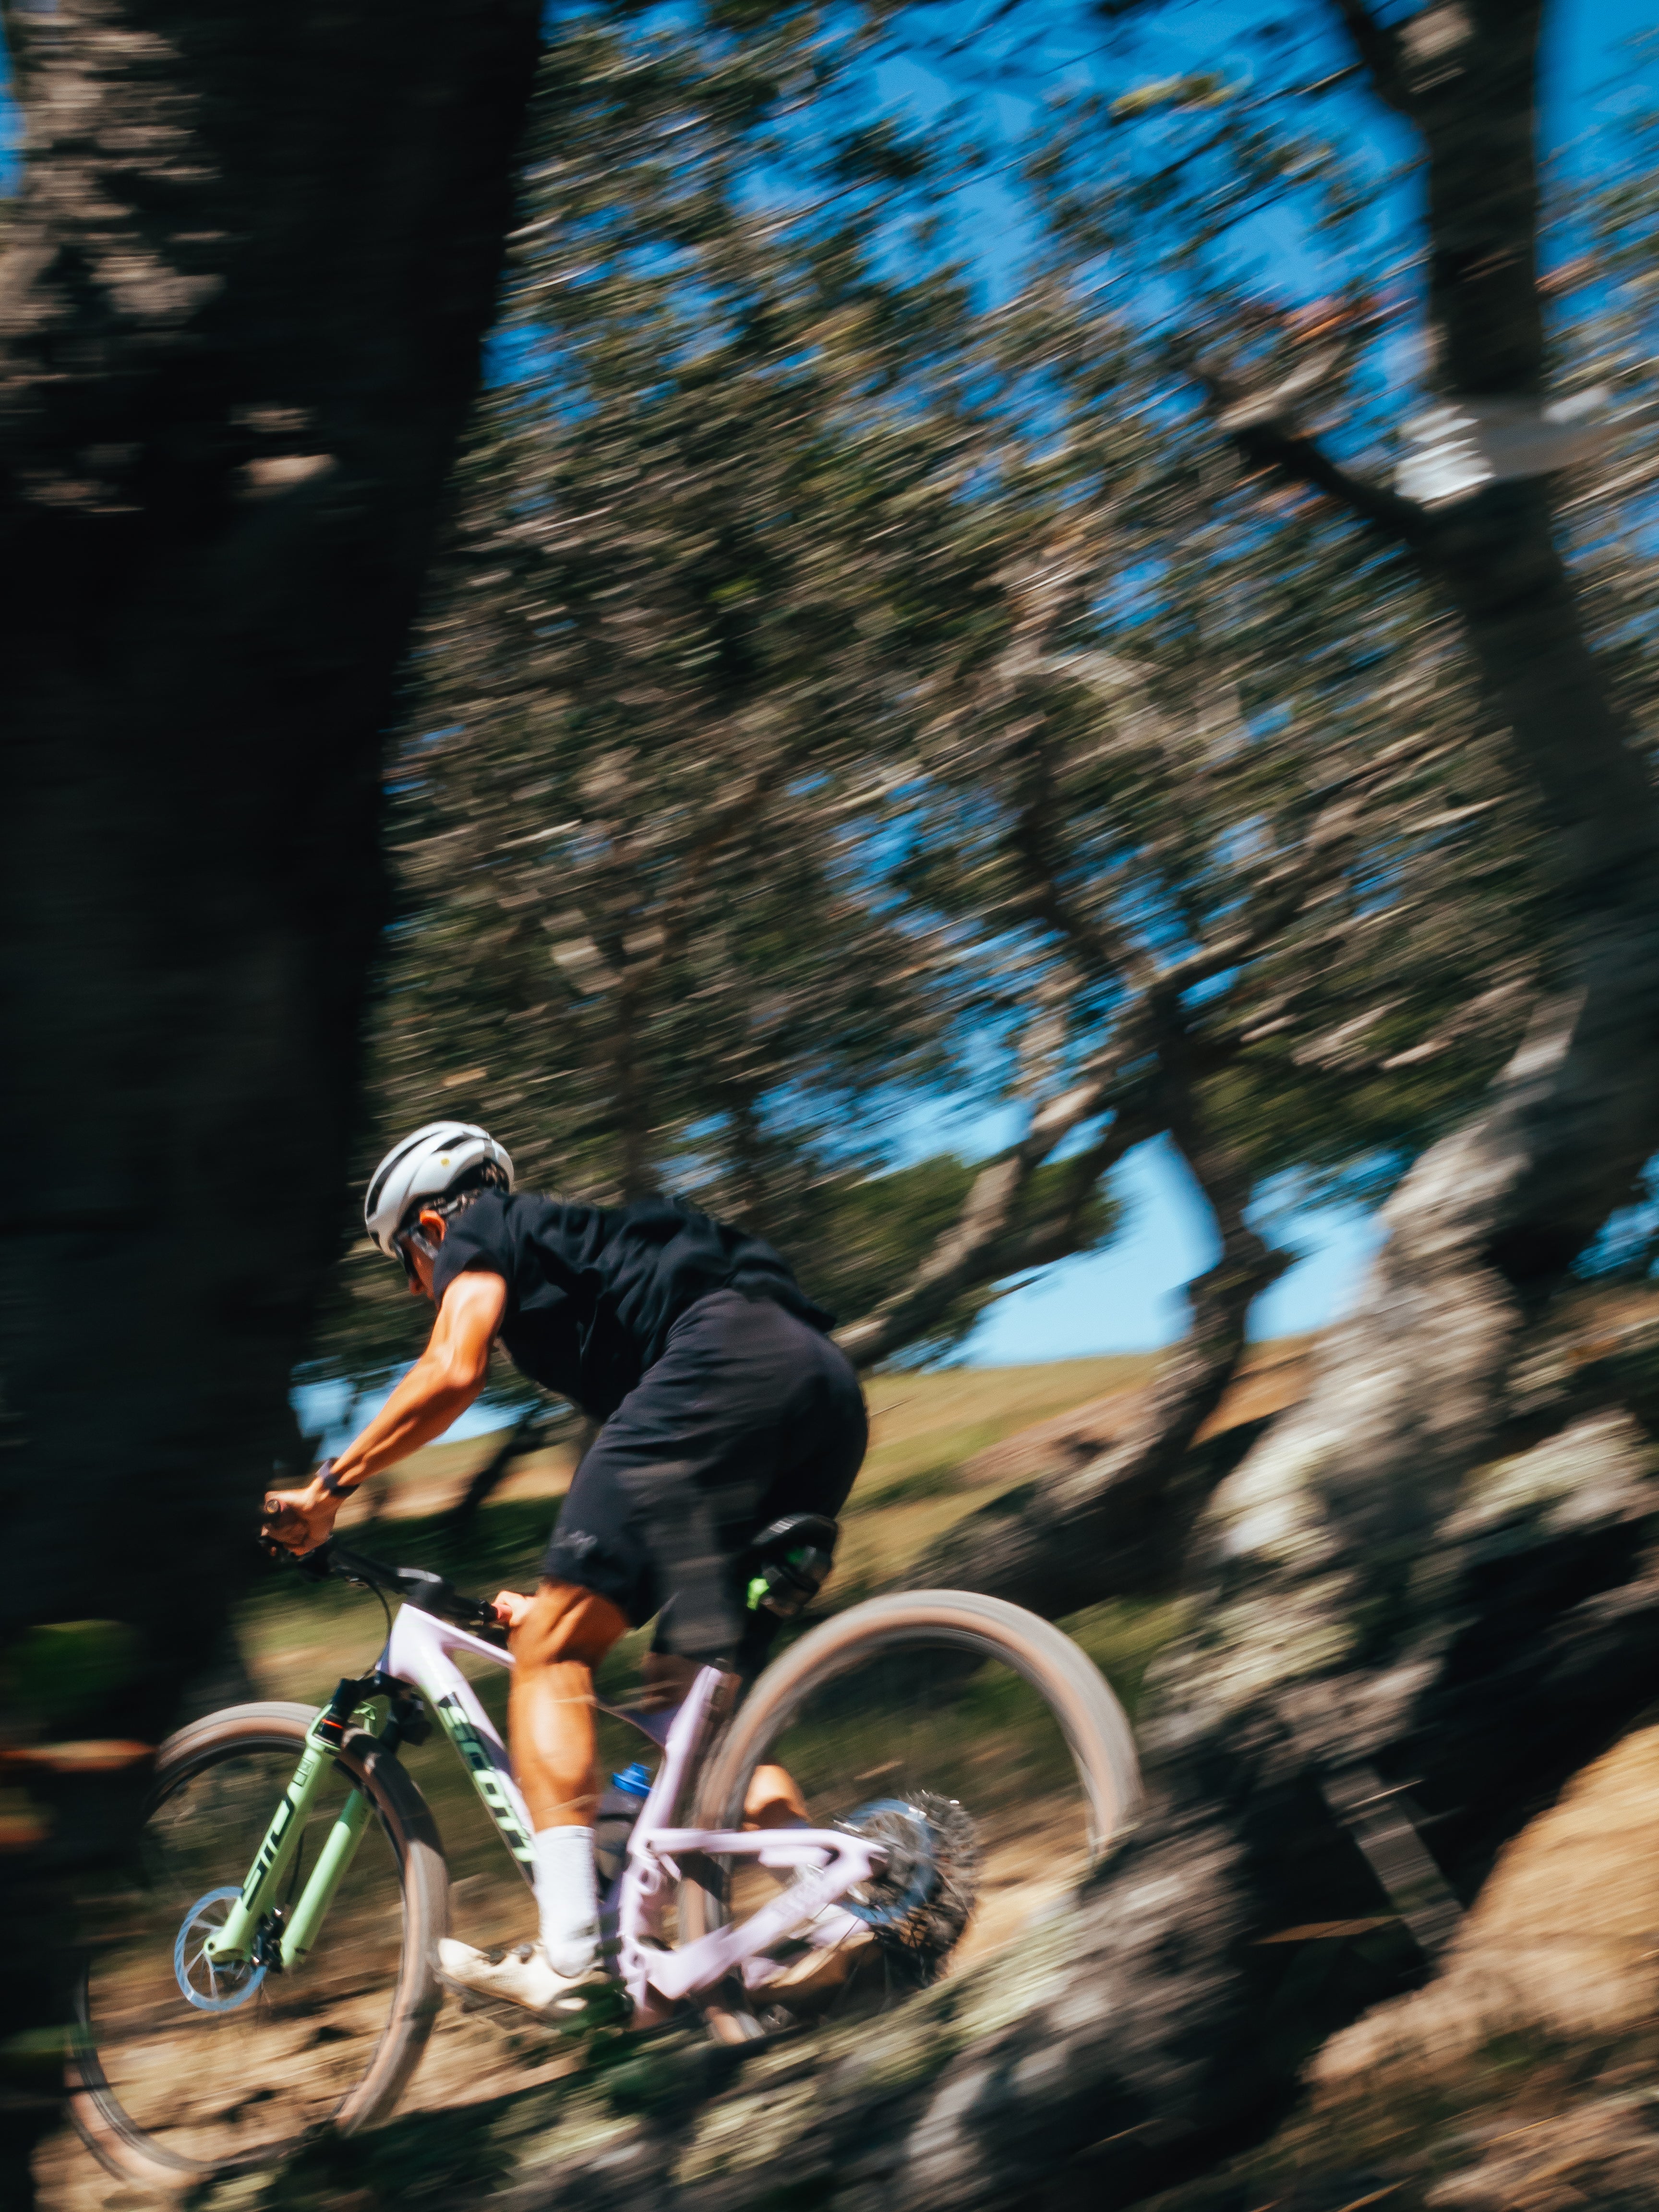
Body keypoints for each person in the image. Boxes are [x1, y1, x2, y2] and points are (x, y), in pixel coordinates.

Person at [263, 1121, 867, 2018]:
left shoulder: (480, 1228)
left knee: (551, 1656)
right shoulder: (579, 1257)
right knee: (686, 1701)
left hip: (721, 1366)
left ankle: (571, 1957)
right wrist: (563, 1601)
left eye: (407, 1266)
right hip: (820, 1390)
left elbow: (451, 1370)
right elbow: (659, 1480)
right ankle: (839, 1913)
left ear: (430, 1226)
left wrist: (329, 1488)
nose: (419, 1286)